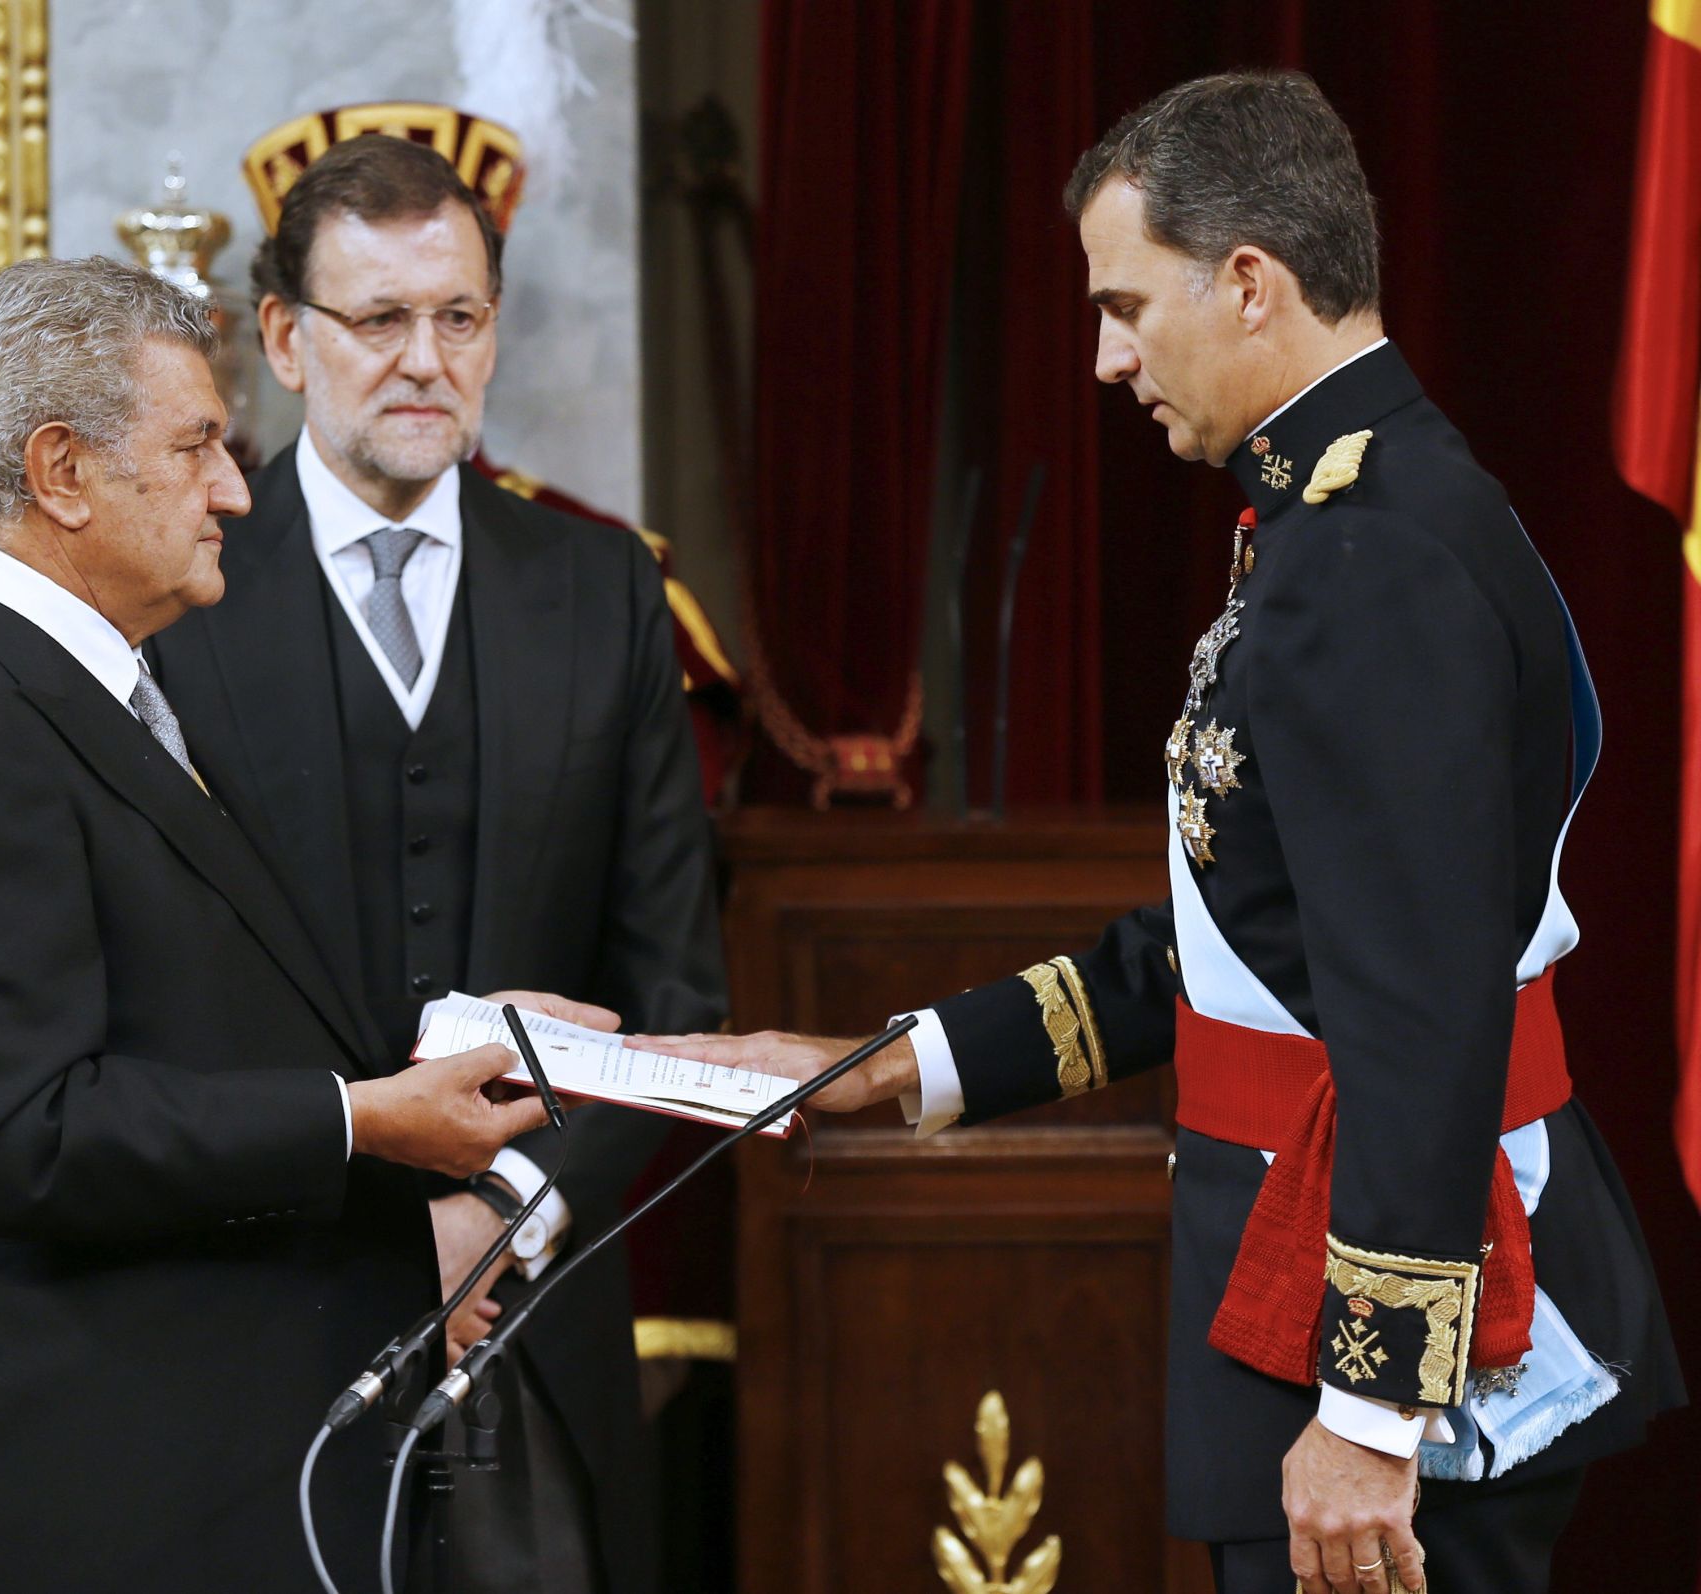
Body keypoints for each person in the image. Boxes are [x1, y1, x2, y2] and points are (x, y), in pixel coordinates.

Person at [642, 71, 1682, 1594]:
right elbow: (1217, 953)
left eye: (1128, 305)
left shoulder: (1371, 556)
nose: (1106, 356)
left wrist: (1371, 1407)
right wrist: (877, 1070)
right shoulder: (1343, 512)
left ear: (1250, 283)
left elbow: (1415, 1011)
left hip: (1391, 1337)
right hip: (1332, 1283)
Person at [0, 255, 562, 1594]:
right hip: (78, 1509)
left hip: (186, 1478)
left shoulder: (90, 679)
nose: (235, 489)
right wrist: (361, 1119)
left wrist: (447, 1039)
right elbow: (20, 1132)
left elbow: (203, 1005)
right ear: (63, 472)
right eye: (200, 444)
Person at [145, 134, 725, 1594]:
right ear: (284, 339)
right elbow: (158, 990)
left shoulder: (602, 590)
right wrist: (383, 1207)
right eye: (379, 320)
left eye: (457, 318)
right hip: (254, 1316)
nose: (424, 360)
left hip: (537, 1324)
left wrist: (507, 1196)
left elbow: (672, 978)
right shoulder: (181, 600)